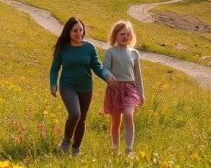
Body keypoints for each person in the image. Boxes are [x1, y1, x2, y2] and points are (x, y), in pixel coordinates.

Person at [50, 16, 115, 156]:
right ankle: (66, 141)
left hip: (86, 88)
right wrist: (53, 83)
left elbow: (97, 67)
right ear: (68, 32)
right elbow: (54, 69)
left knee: (82, 118)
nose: (79, 33)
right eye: (75, 30)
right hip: (67, 86)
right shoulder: (63, 49)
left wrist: (107, 76)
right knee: (75, 113)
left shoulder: (89, 48)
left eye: (81, 30)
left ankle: (76, 149)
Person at [102, 21, 144, 155]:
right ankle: (115, 149)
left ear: (131, 36)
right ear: (115, 35)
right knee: (115, 122)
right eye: (121, 34)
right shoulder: (111, 52)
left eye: (127, 34)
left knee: (128, 114)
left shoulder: (134, 53)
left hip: (130, 88)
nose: (125, 36)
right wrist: (108, 76)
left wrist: (141, 93)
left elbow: (138, 75)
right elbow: (105, 69)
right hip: (115, 88)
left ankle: (129, 149)